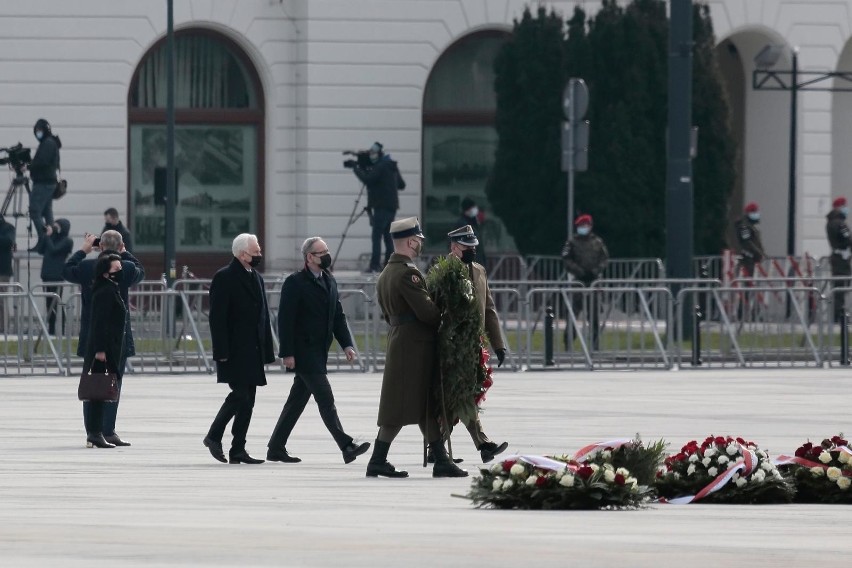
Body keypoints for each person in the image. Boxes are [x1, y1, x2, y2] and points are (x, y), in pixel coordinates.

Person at [364, 217, 467, 479]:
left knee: (422, 405)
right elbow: (428, 313)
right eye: (418, 240)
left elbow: (389, 315)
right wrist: (446, 307)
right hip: (415, 346)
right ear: (411, 241)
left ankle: (441, 460)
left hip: (401, 339)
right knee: (400, 405)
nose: (420, 243)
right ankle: (378, 459)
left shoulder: (387, 272)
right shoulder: (408, 273)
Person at [266, 237, 371, 464]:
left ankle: (275, 447)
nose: (326, 255)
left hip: (319, 350)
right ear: (309, 257)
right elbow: (285, 320)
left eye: (327, 250)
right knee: (326, 398)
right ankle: (346, 445)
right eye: (321, 252)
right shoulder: (295, 283)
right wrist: (287, 353)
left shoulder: (329, 280)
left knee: (296, 402)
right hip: (304, 352)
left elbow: (337, 317)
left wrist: (347, 345)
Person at [63, 230, 144, 446]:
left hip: (91, 333)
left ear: (99, 246)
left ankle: (94, 431)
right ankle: (105, 430)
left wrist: (82, 250)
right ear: (120, 247)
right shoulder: (124, 267)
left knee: (94, 383)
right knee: (111, 384)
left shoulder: (87, 266)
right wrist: (125, 253)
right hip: (116, 335)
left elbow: (66, 270)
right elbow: (140, 271)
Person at [434, 224, 508, 463]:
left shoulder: (479, 271)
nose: (472, 251)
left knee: (457, 397)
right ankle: (483, 445)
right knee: (462, 394)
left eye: (474, 247)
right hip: (451, 346)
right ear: (454, 247)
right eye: (467, 247)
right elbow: (431, 308)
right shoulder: (442, 272)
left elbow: (489, 309)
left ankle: (436, 447)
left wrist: (498, 345)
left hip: (473, 345)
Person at [204, 233, 275, 465]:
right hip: (234, 350)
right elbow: (217, 318)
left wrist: (267, 350)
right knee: (240, 395)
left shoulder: (256, 277)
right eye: (256, 252)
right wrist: (221, 351)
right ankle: (213, 436)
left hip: (253, 349)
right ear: (242, 254)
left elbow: (262, 316)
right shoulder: (225, 277)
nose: (259, 256)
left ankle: (238, 448)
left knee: (249, 400)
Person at [81, 254, 127, 448]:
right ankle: (95, 432)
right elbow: (99, 324)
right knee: (98, 391)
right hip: (103, 349)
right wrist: (100, 351)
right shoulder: (105, 292)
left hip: (110, 347)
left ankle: (99, 431)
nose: (120, 272)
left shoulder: (110, 288)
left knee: (102, 391)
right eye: (116, 269)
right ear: (106, 273)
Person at [347, 142, 403, 273]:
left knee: (376, 236)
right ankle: (389, 264)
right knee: (388, 237)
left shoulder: (381, 166)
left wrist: (356, 167)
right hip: (392, 206)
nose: (371, 156)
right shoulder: (391, 165)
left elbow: (368, 179)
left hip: (381, 206)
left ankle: (374, 265)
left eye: (373, 153)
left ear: (379, 154)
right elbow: (401, 184)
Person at [561, 214, 609, 349]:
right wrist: (578, 270)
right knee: (573, 314)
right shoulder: (572, 242)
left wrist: (596, 270)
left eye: (585, 226)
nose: (583, 228)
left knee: (593, 316)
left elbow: (604, 259)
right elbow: (566, 259)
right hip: (578, 282)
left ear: (590, 226)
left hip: (593, 282)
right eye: (580, 226)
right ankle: (568, 342)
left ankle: (594, 345)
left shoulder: (597, 242)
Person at [27, 118, 61, 251]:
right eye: (36, 131)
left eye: (39, 130)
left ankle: (43, 240)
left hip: (43, 183)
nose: (37, 133)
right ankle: (51, 241)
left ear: (45, 130)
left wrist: (29, 166)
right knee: (47, 213)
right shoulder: (50, 142)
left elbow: (42, 162)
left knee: (35, 211)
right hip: (48, 183)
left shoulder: (48, 143)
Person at [39, 218, 73, 336]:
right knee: (49, 303)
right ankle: (51, 329)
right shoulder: (52, 238)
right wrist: (45, 236)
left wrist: (48, 237)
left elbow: (54, 250)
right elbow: (41, 250)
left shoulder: (67, 241)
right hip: (46, 274)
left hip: (56, 275)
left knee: (56, 302)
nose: (54, 227)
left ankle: (62, 329)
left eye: (57, 226)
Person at [826, 197, 852, 321]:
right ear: (839, 207)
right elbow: (848, 239)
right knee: (841, 288)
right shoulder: (840, 223)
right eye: (845, 206)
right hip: (842, 259)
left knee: (838, 287)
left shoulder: (830, 222)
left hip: (836, 258)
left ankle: (837, 315)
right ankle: (839, 316)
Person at [735, 201, 766, 279]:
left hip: (753, 259)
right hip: (748, 259)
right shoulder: (744, 226)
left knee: (751, 281)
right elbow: (748, 242)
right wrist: (759, 253)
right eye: (755, 211)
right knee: (748, 281)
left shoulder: (750, 226)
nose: (757, 214)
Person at [456, 197, 486, 266]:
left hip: (476, 262)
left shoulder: (473, 222)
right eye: (473, 207)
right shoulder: (462, 224)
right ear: (468, 209)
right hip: (469, 263)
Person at [0, 217, 15, 332]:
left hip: (3, 270)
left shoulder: (8, 228)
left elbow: (8, 242)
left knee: (1, 299)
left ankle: (3, 327)